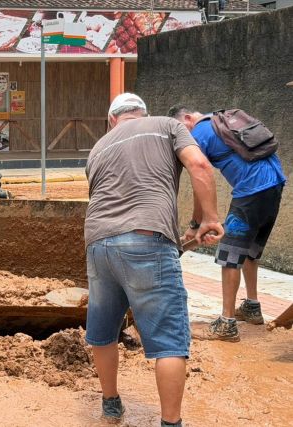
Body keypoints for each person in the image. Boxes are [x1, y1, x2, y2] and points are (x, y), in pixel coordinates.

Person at [85, 93, 223, 426]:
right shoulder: (166, 126)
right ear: (143, 113)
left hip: (98, 244)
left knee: (103, 332)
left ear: (112, 120)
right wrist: (209, 218)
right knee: (170, 341)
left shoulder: (98, 148)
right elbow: (200, 166)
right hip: (147, 238)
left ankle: (111, 405)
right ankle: (170, 423)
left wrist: (193, 225)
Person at [167, 105, 286, 342]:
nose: (181, 137)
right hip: (275, 184)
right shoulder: (220, 121)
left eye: (181, 129)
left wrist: (197, 223)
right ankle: (252, 307)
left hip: (251, 190)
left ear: (188, 118)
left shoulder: (199, 133)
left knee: (229, 256)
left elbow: (201, 178)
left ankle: (226, 324)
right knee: (249, 250)